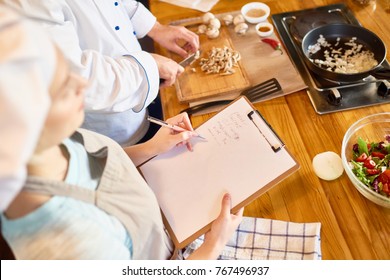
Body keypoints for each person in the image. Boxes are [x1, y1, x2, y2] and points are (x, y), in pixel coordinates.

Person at [0, 8, 243, 260]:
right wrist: (213, 245)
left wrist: (152, 148)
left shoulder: (59, 141)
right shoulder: (75, 243)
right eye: (62, 85)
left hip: (166, 234)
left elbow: (97, 162)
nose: (82, 84)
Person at [1, 0, 200, 146]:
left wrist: (154, 28)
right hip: (109, 135)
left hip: (140, 99)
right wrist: (149, 67)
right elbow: (76, 80)